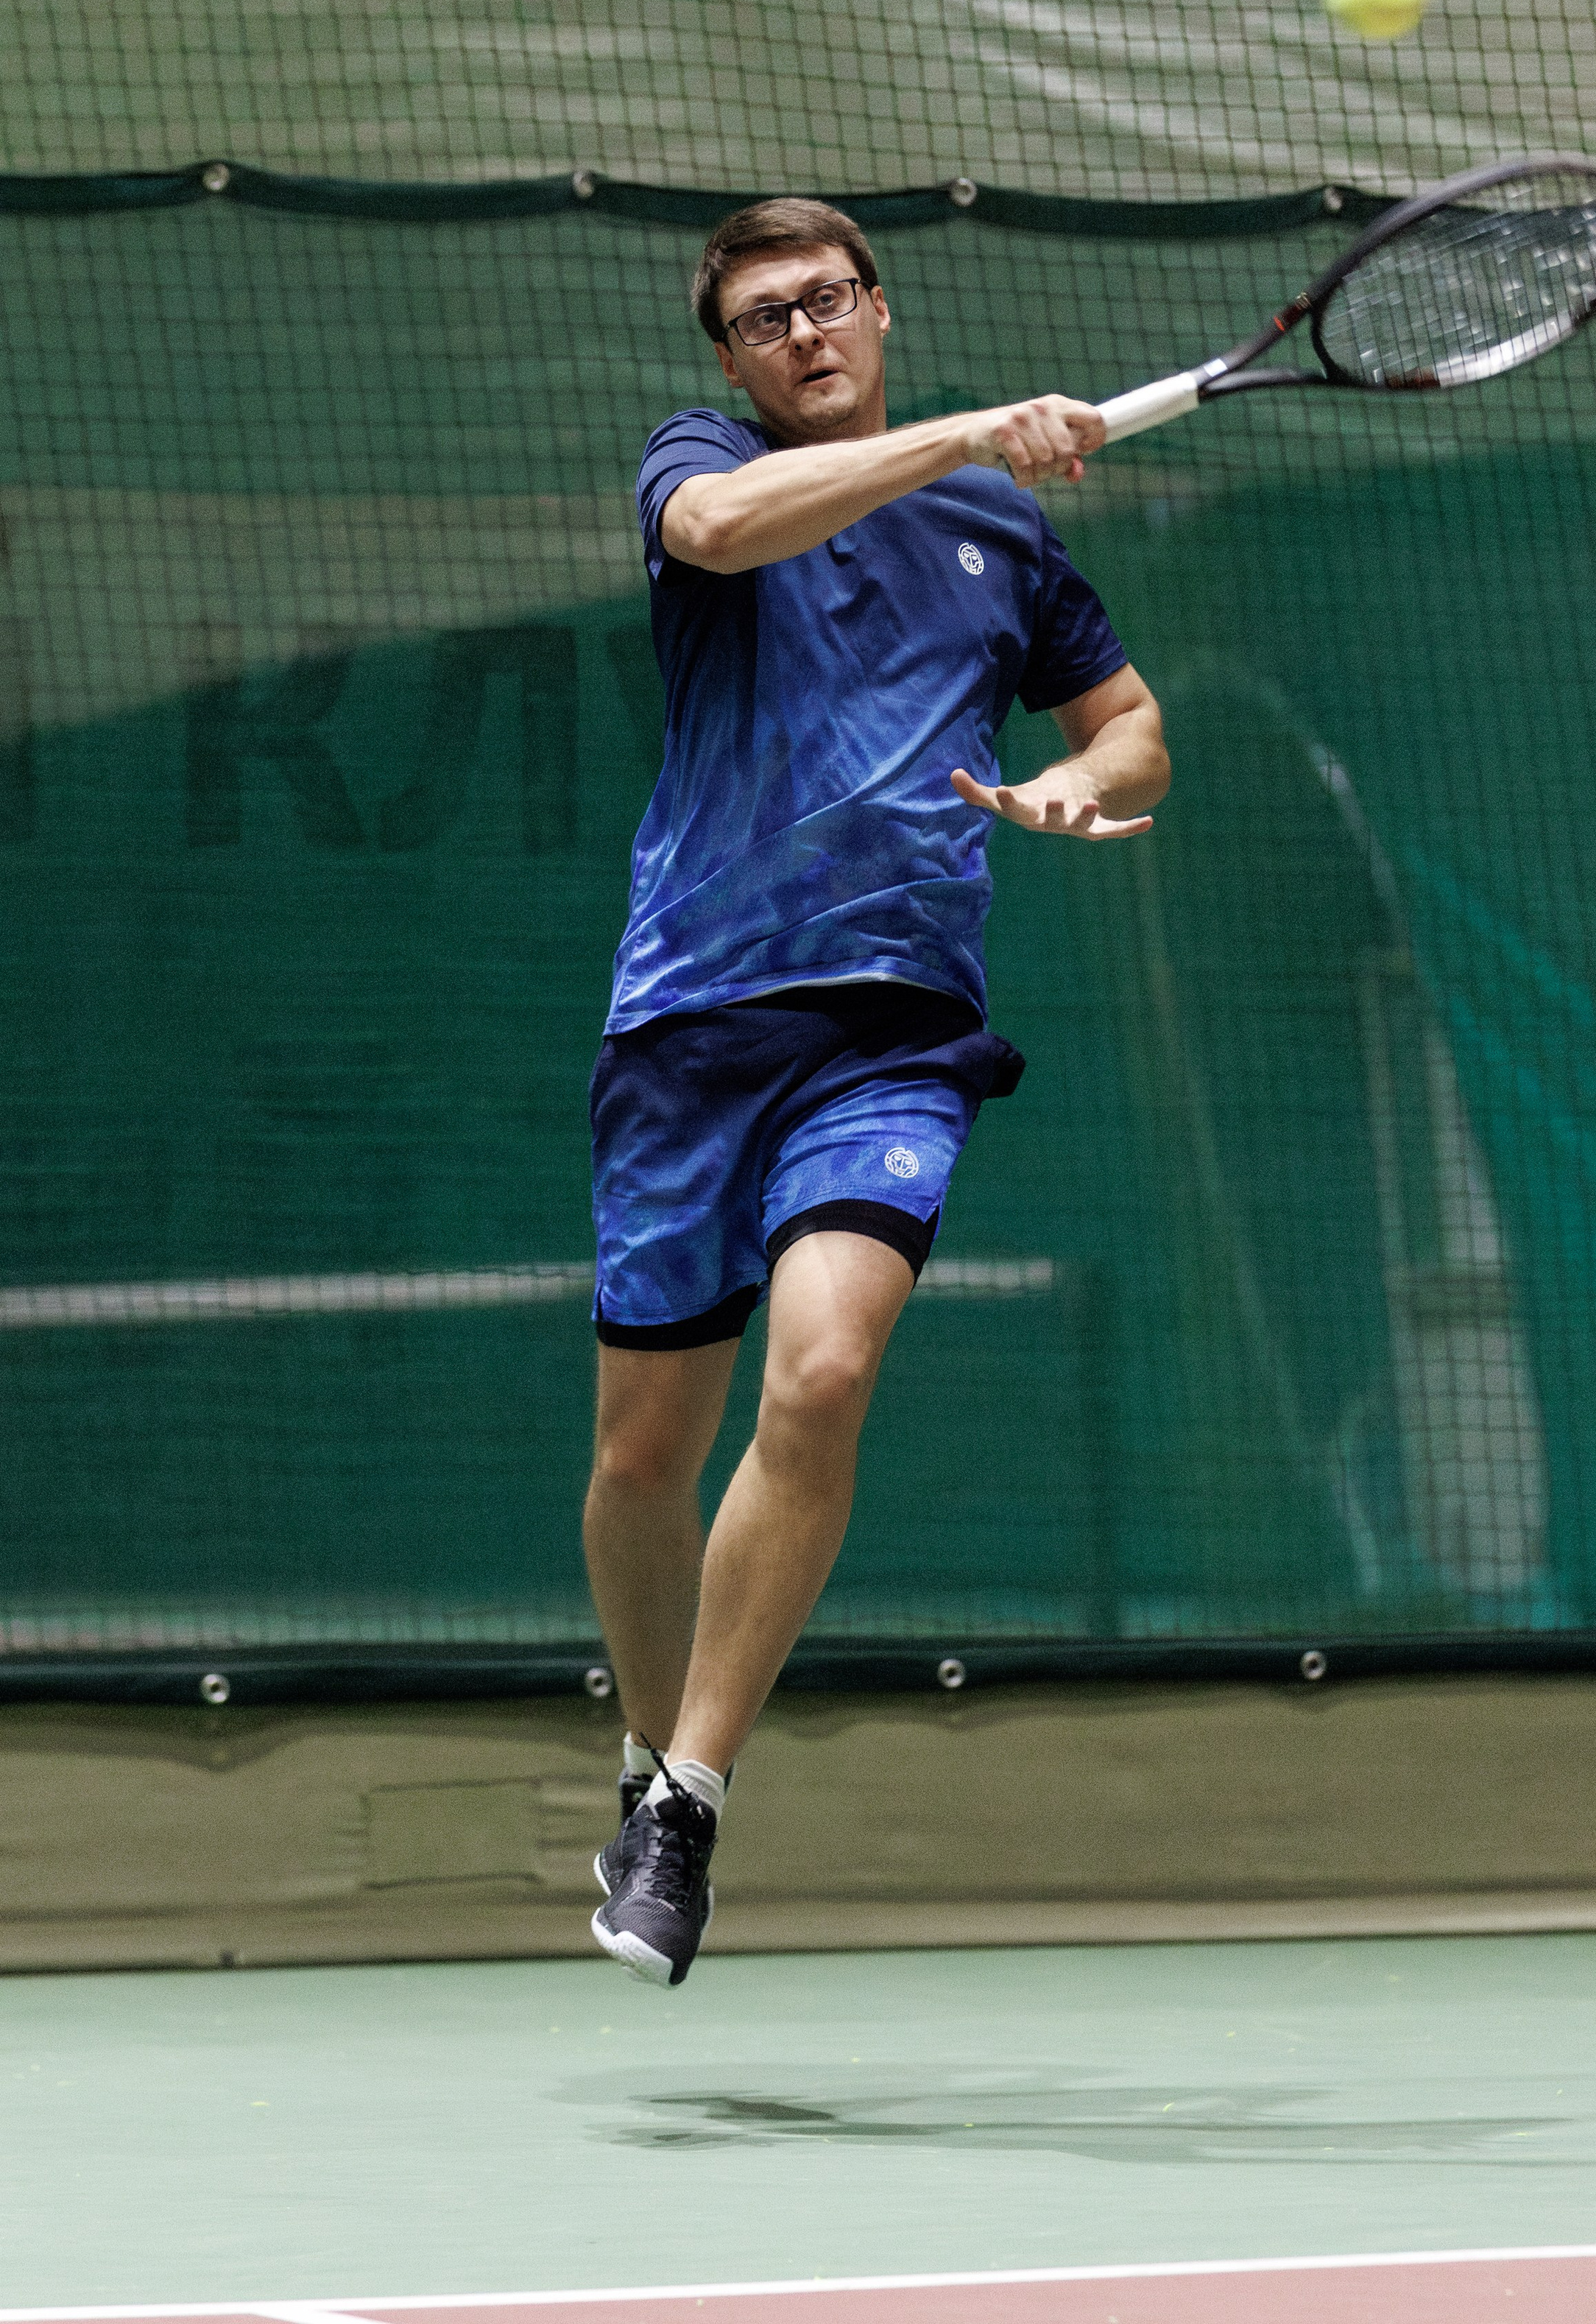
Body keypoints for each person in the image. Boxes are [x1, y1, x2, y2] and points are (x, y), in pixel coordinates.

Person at [585, 197, 1170, 1982]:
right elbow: (723, 523)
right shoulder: (703, 462)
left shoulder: (1004, 528)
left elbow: (1128, 715)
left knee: (826, 1367)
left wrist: (1085, 779)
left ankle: (687, 1796)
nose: (803, 333)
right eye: (765, 319)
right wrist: (969, 429)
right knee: (641, 1455)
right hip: (692, 1015)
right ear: (733, 359)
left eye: (828, 298)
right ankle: (633, 1743)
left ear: (879, 304)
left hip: (896, 1021)